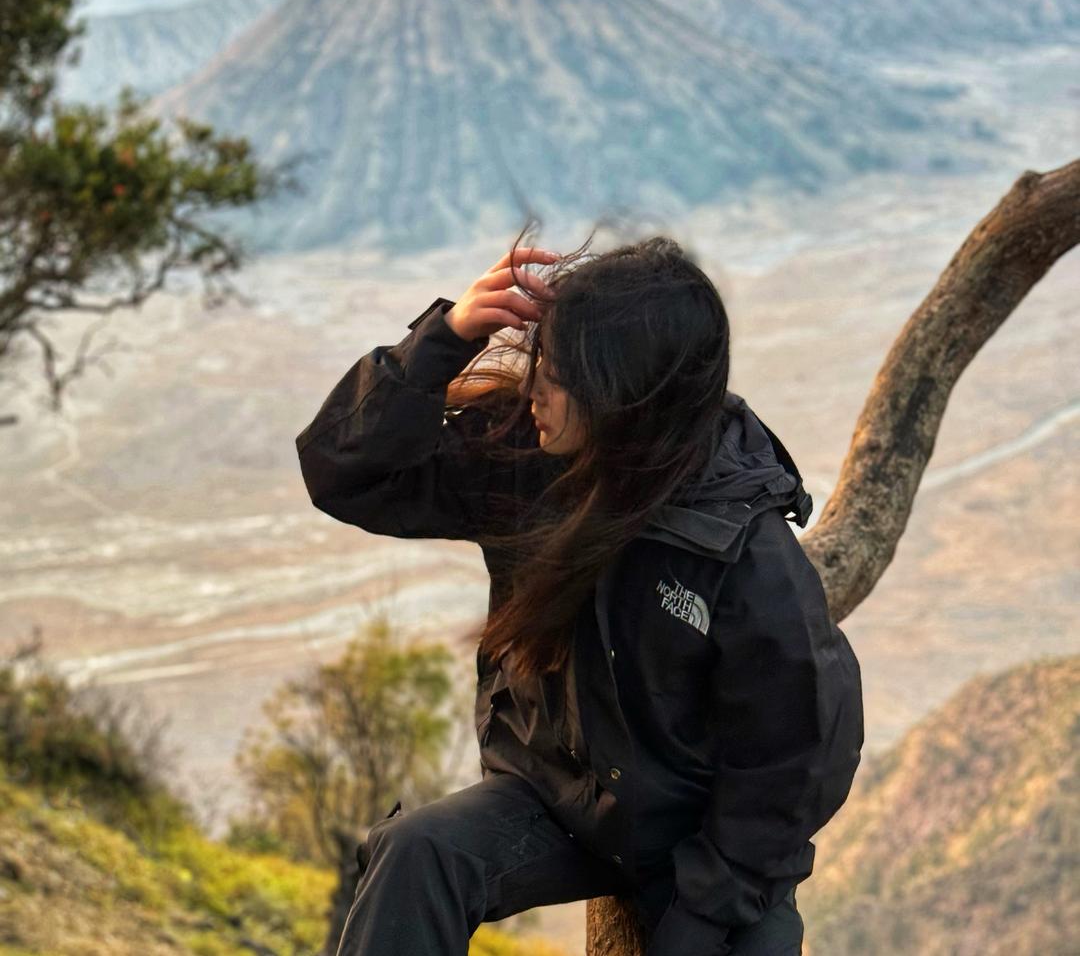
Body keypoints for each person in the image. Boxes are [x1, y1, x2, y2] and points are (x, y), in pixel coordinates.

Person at [295, 229, 865, 956]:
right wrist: (444, 337)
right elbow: (345, 474)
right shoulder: (527, 464)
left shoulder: (741, 547)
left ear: (624, 395)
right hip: (556, 796)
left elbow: (799, 758)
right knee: (417, 852)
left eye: (557, 375)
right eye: (538, 361)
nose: (533, 388)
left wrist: (701, 915)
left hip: (701, 842)